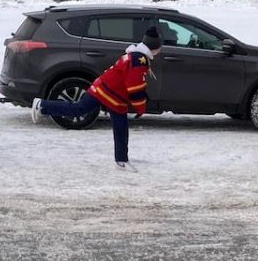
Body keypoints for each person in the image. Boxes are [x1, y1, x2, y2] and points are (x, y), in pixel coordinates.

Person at [31, 26, 162, 170]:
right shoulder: (139, 60)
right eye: (159, 47)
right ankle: (42, 105)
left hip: (112, 93)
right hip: (108, 92)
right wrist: (140, 105)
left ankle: (122, 159)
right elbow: (135, 85)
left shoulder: (137, 56)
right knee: (80, 110)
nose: (160, 50)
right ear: (154, 47)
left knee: (119, 126)